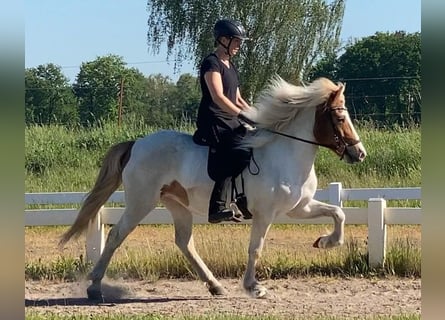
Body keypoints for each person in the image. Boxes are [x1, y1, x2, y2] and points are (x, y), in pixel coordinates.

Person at [193, 19, 256, 224]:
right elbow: (218, 96)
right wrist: (240, 115)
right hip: (214, 119)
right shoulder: (212, 63)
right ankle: (216, 207)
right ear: (223, 40)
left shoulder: (231, 65)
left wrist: (255, 115)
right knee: (235, 150)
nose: (239, 45)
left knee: (252, 144)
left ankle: (241, 198)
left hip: (230, 118)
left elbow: (237, 98)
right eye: (236, 41)